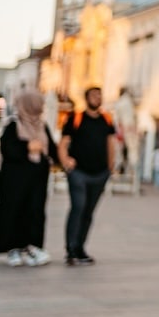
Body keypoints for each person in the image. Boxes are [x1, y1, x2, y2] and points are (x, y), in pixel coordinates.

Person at [0, 91, 58, 267]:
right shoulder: (13, 126)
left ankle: (33, 247)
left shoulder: (42, 126)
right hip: (15, 181)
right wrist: (27, 146)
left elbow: (51, 150)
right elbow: (8, 149)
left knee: (36, 212)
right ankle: (13, 248)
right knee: (14, 211)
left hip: (37, 180)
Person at [58, 86, 116, 266]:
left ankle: (81, 248)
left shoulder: (106, 119)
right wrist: (65, 161)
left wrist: (111, 166)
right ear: (87, 98)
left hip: (100, 173)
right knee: (78, 207)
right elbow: (63, 143)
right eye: (93, 95)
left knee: (89, 212)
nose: (97, 98)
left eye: (100, 95)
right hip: (79, 173)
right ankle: (71, 249)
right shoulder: (75, 118)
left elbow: (110, 142)